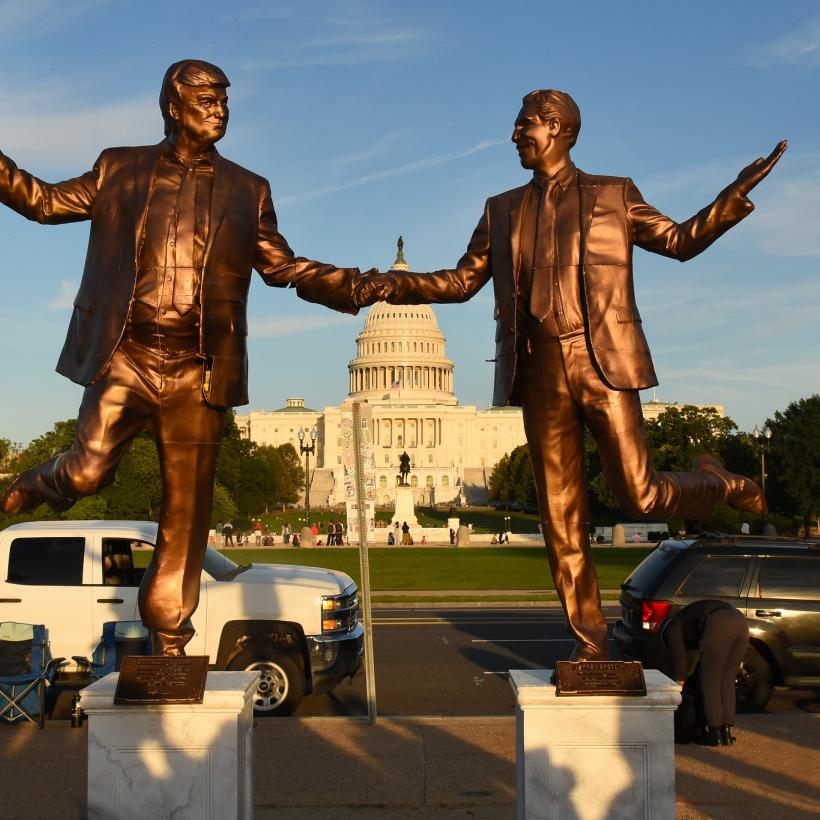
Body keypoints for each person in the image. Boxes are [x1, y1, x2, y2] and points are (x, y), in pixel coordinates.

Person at [357, 89, 784, 661]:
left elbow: (679, 242)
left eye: (522, 124)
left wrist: (731, 198)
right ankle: (591, 645)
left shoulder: (613, 194)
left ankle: (722, 482)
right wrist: (390, 284)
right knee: (562, 518)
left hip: (601, 361)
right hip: (538, 371)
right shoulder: (500, 209)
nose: (513, 135)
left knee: (641, 494)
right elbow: (460, 283)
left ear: (555, 128)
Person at [0, 60, 376, 656]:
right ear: (173, 107)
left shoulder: (248, 190)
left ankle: (171, 640)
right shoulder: (118, 168)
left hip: (197, 370)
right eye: (205, 97)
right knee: (89, 472)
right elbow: (42, 202)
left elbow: (283, 268)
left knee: (187, 513)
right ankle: (37, 481)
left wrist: (360, 286)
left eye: (224, 98)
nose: (219, 107)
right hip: (125, 355)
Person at [661, 600, 749, 746]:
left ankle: (715, 733)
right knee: (727, 679)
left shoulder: (672, 627)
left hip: (718, 624)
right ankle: (725, 732)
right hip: (740, 621)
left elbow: (681, 661)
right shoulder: (686, 616)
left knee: (710, 681)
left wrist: (679, 682)